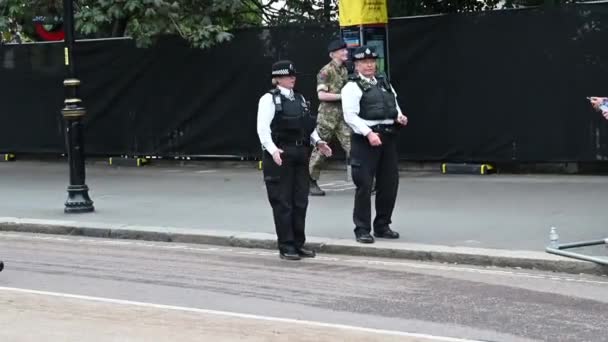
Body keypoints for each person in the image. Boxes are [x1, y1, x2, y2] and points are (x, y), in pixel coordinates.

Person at [257, 60, 333, 260]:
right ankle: (286, 245)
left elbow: (308, 126)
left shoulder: (299, 98)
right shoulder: (269, 99)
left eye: (293, 75)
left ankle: (299, 243)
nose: (292, 78)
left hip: (300, 153)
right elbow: (263, 129)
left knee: (300, 201)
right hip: (280, 154)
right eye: (287, 76)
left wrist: (318, 142)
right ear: (277, 79)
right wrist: (273, 150)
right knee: (283, 202)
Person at [341, 46, 409, 244]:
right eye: (364, 62)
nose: (369, 65)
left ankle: (382, 225)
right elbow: (350, 116)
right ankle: (362, 228)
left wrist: (400, 116)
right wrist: (369, 133)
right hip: (365, 139)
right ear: (356, 65)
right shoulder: (351, 87)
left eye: (372, 61)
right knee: (364, 184)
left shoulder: (384, 83)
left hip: (387, 138)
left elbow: (393, 105)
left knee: (389, 184)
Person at [308, 39, 351, 196]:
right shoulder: (325, 71)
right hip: (327, 117)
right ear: (333, 54)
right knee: (320, 150)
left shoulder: (345, 70)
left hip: (342, 117)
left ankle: (367, 181)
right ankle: (310, 182)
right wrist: (344, 96)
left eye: (345, 50)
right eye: (342, 50)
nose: (345, 52)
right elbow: (321, 95)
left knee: (353, 146)